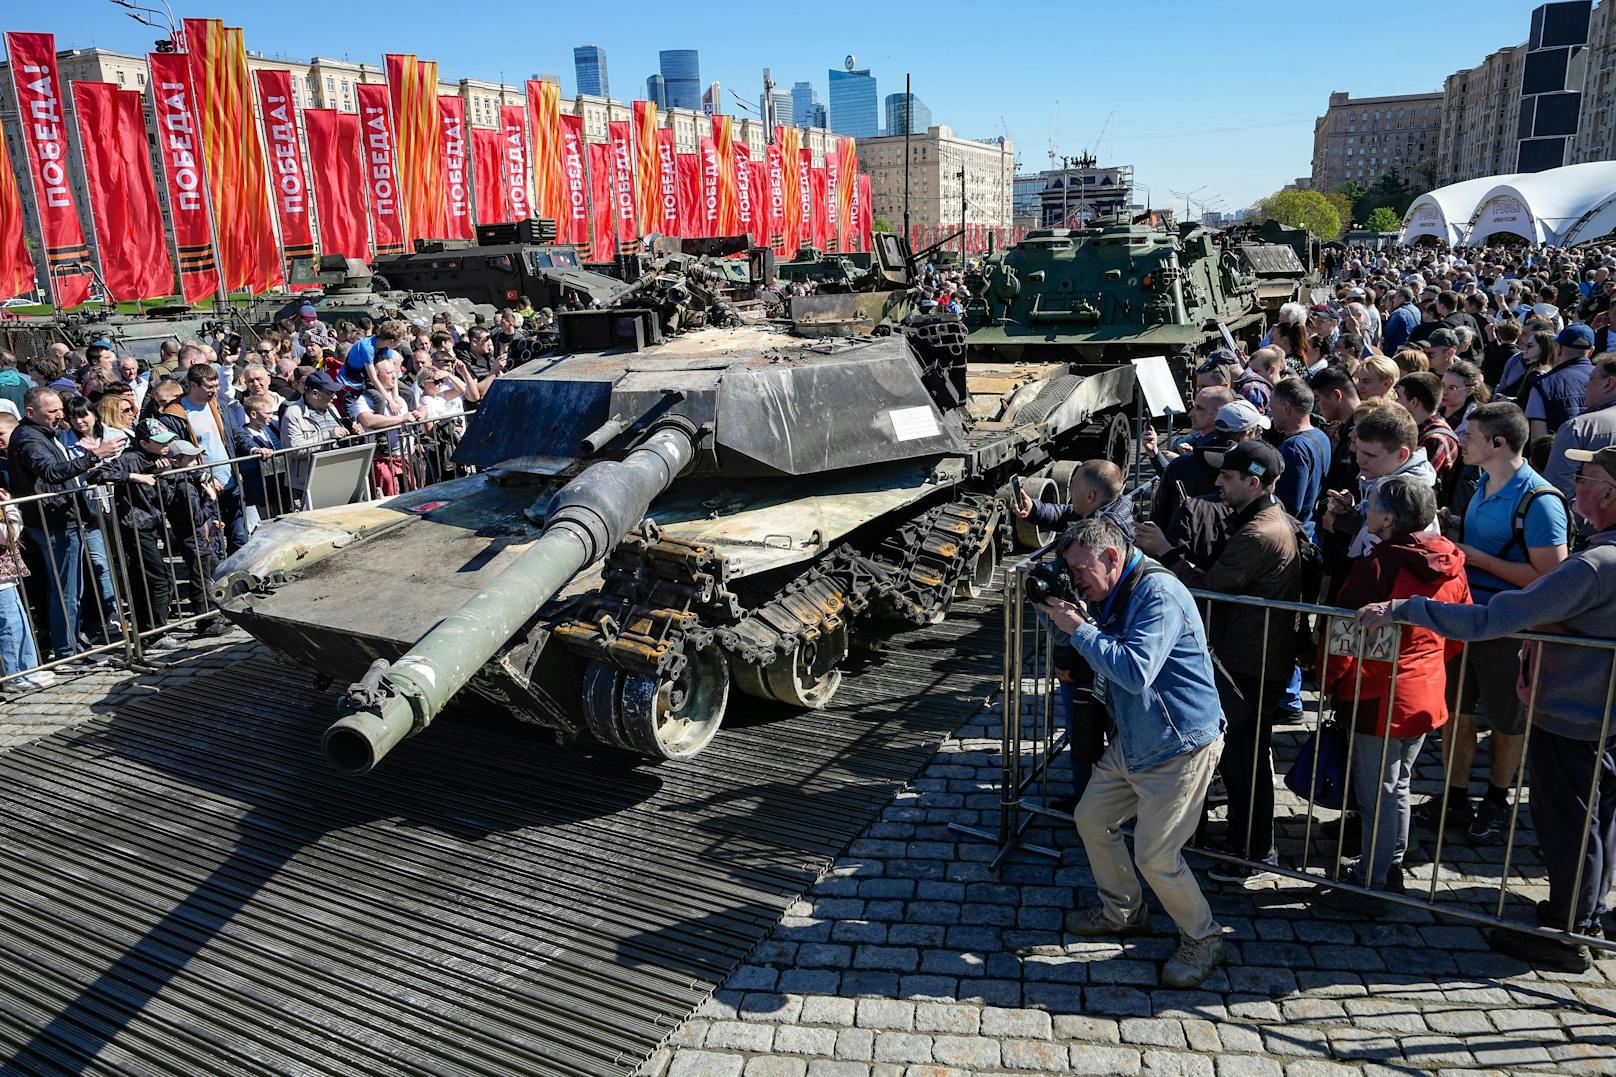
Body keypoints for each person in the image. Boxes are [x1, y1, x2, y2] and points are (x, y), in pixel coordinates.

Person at [1358, 443, 1616, 972]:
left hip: (1575, 713)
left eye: (1585, 476)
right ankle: (1582, 912)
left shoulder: (1595, 565)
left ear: (1610, 493)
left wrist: (1407, 608)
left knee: (1571, 823)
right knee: (1598, 818)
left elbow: (1496, 617)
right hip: (1597, 712)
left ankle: (1569, 934)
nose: (1574, 483)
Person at [1044, 516, 1228, 989]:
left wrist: (1079, 628)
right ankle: (1124, 913)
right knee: (1091, 819)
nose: (1078, 579)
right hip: (1137, 737)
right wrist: (1059, 611)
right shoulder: (1112, 589)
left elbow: (1134, 671)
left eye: (1081, 569)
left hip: (1179, 743)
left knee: (1157, 855)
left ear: (1112, 556)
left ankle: (1204, 937)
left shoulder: (1157, 595)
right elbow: (1090, 644)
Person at [1137, 440, 1301, 882]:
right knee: (1243, 756)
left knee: (1244, 760)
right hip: (1251, 655)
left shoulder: (1259, 534)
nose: (1218, 484)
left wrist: (1165, 552)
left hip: (1250, 662)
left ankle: (1252, 850)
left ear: (1252, 482)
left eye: (1227, 478)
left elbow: (1209, 588)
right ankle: (1247, 843)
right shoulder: (1262, 518)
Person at [1315, 478, 1469, 911]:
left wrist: (1329, 681)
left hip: (1378, 696)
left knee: (1377, 794)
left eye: (1372, 506)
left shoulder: (1378, 567)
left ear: (1388, 518)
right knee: (1396, 786)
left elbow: (1344, 638)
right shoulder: (1452, 562)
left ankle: (1373, 881)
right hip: (1426, 690)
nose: (1366, 511)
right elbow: (1458, 632)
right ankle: (1389, 866)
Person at [1428, 401, 1569, 843]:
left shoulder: (1541, 501)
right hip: (1468, 619)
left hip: (1510, 630)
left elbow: (1551, 577)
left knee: (1508, 720)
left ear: (1497, 443)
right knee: (1457, 712)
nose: (1461, 441)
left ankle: (1496, 798)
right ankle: (1454, 796)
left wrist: (1476, 556)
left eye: (1469, 436)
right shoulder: (1480, 482)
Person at [1013, 459, 1134, 809]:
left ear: (1093, 496)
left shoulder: (1101, 530)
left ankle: (1090, 802)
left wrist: (1044, 583)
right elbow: (1069, 514)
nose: (1068, 496)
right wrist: (1036, 509)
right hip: (1097, 642)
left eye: (1074, 490)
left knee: (1084, 723)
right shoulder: (1111, 510)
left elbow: (1070, 617)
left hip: (1088, 648)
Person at [5, 387, 122, 660]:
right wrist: (95, 456)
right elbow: (50, 471)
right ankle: (65, 650)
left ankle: (72, 644)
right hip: (54, 524)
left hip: (65, 519)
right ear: (31, 412)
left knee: (72, 588)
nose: (61, 415)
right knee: (65, 589)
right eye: (53, 411)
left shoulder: (46, 433)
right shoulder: (29, 439)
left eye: (60, 409)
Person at [163, 363, 269, 554]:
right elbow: (177, 456)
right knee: (215, 545)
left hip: (232, 484)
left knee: (240, 539)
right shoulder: (174, 415)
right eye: (209, 387)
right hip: (204, 492)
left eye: (216, 386)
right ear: (193, 385)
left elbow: (236, 433)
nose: (214, 391)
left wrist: (253, 448)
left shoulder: (218, 405)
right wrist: (203, 477)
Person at [1547, 351, 1616, 498]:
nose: (1586, 385)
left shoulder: (1578, 428)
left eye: (1591, 378)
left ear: (1609, 383)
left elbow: (1557, 493)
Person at [0, 483, 49, 689]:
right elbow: (6, 535)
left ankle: (28, 668)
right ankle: (17, 674)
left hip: (7, 577)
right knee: (10, 625)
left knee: (18, 621)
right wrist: (10, 507)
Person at [1271, 377, 1332, 541]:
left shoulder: (1294, 447)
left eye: (1272, 407)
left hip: (1295, 536)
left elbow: (1290, 505)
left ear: (1285, 407)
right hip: (1311, 531)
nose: (1271, 413)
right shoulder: (1321, 436)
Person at [280, 370, 348, 507]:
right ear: (315, 394)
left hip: (336, 478)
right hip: (306, 485)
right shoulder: (293, 413)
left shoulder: (331, 409)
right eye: (330, 393)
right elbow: (294, 450)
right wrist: (328, 436)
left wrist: (352, 432)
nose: (334, 397)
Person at [1394, 372, 1460, 506]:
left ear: (1414, 402)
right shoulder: (1418, 429)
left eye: (1399, 397)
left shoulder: (1436, 440)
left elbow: (1414, 487)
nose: (1394, 402)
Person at [1523, 323, 1596, 442]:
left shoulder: (1544, 384)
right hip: (1601, 458)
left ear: (1558, 349)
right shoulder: (1607, 380)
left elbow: (1538, 441)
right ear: (1591, 351)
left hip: (1559, 458)